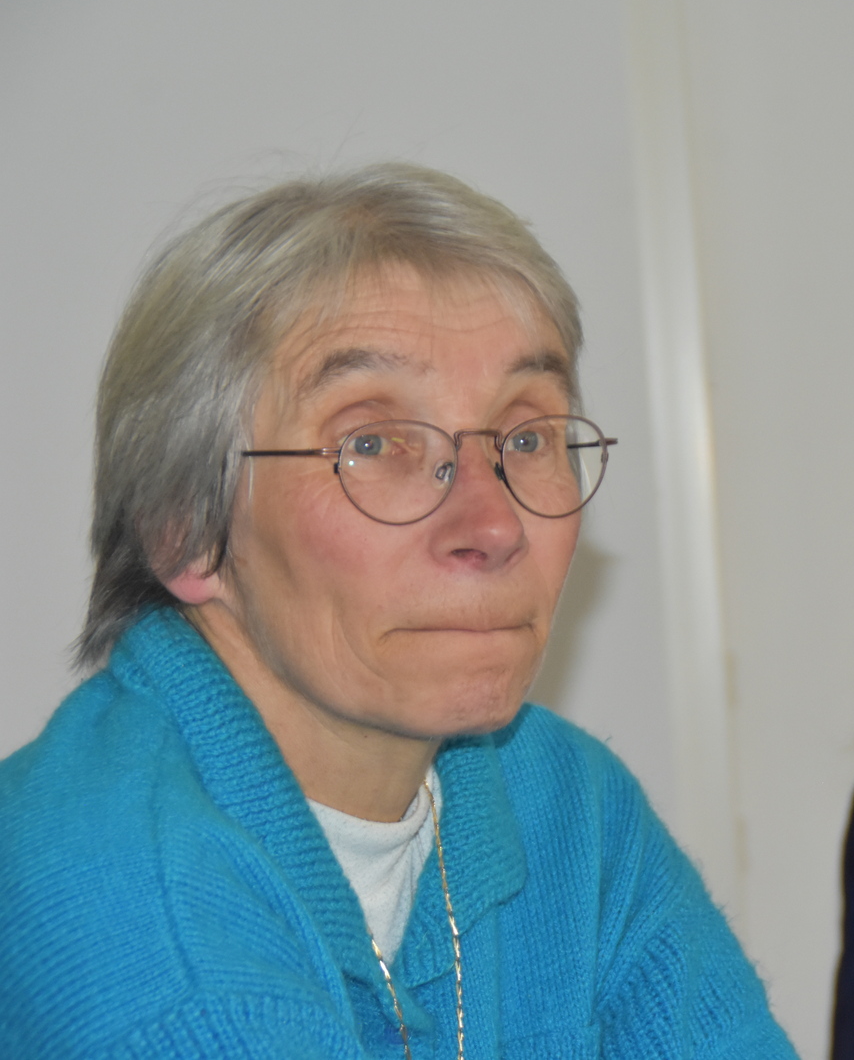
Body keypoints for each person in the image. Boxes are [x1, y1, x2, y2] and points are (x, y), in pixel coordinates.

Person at [0, 164, 796, 1059]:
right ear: (186, 527)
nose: (493, 525)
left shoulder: (565, 808)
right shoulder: (148, 937)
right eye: (373, 441)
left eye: (526, 436)